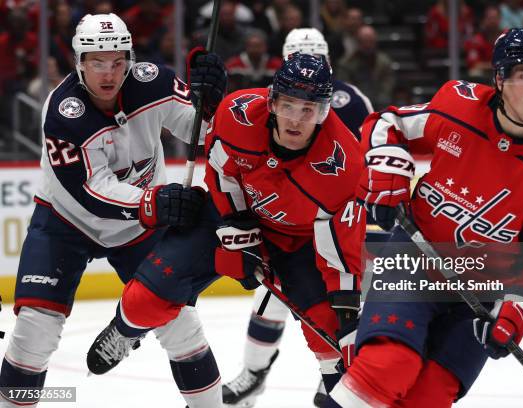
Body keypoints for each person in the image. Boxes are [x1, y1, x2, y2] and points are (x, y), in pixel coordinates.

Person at [326, 28, 523, 407]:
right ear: (500, 79)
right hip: (415, 257)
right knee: (389, 364)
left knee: (429, 396)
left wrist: (519, 304)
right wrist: (388, 171)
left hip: (487, 288)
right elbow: (388, 124)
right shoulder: (458, 103)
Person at [85, 52, 366, 405]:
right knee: (145, 298)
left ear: (323, 112)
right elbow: (221, 172)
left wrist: (345, 310)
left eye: (308, 110)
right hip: (225, 215)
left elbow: (340, 247)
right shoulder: (238, 114)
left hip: (300, 242)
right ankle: (125, 332)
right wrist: (234, 222)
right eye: (289, 106)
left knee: (333, 339)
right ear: (273, 100)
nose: (296, 120)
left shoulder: (345, 165)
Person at [0, 13, 227, 408]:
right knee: (34, 332)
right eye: (97, 62)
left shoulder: (152, 81)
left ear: (130, 59)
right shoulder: (62, 113)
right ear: (79, 63)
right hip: (66, 221)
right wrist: (153, 202)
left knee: (182, 327)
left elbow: (203, 132)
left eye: (118, 61)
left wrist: (212, 102)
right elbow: (91, 191)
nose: (109, 73)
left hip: (137, 226)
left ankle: (137, 338)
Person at [220, 27, 373, 408]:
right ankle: (254, 376)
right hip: (281, 222)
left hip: (333, 223)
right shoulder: (263, 108)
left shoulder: (352, 101)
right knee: (271, 302)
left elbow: (363, 163)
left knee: (338, 310)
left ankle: (331, 380)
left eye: (317, 62)